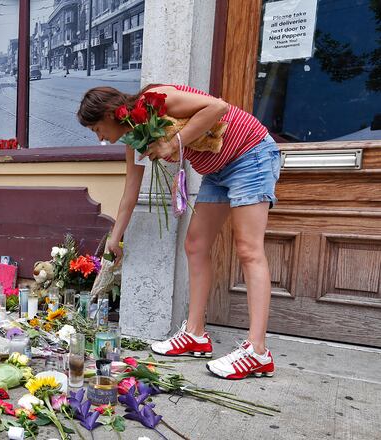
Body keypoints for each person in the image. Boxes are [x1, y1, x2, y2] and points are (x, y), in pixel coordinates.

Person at [77, 84, 281, 380]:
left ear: (110, 114)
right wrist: (115, 237)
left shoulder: (155, 100)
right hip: (217, 170)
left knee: (249, 249)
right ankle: (196, 334)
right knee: (195, 246)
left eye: (97, 128)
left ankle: (258, 352)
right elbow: (130, 192)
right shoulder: (135, 137)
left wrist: (173, 145)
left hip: (251, 155)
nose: (99, 137)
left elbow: (218, 107)